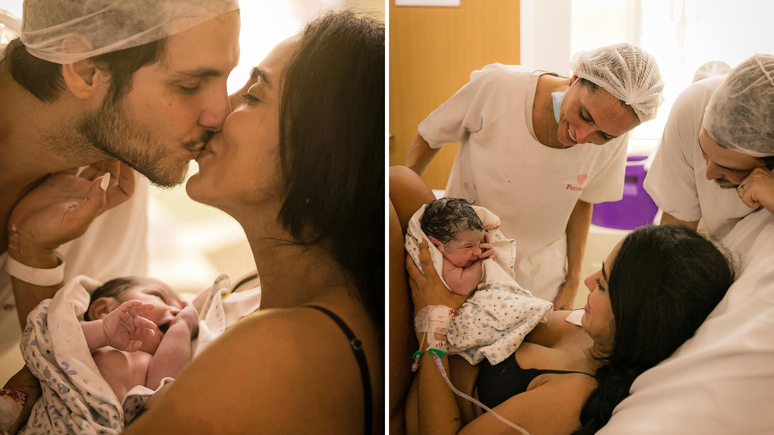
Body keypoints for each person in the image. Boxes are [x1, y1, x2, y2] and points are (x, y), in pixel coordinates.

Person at [7, 10, 384, 434]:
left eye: (252, 96)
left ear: (323, 151)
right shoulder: (252, 302)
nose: (220, 113)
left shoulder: (274, 354)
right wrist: (33, 253)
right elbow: (79, 388)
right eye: (190, 85)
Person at [389, 168, 734, 435]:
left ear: (634, 320)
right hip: (446, 332)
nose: (587, 282)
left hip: (420, 394)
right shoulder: (592, 329)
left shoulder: (572, 397)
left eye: (602, 285)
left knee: (392, 203)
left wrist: (432, 320)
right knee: (402, 184)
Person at [0, 0, 240, 379]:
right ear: (85, 69)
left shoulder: (113, 181)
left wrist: (33, 255)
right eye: (189, 85)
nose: (220, 114)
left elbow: (96, 381)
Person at [404, 43, 664, 309]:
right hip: (462, 261)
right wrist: (405, 221)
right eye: (584, 115)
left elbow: (583, 201)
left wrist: (572, 281)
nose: (582, 137)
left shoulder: (615, 138)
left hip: (541, 277)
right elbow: (429, 135)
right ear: (576, 78)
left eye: (604, 135)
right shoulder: (500, 88)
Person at [644, 53, 774, 238]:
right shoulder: (693, 107)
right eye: (703, 152)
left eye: (728, 167)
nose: (708, 175)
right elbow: (678, 228)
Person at [420, 198, 492, 295]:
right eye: (468, 246)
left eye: (480, 242)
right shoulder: (443, 263)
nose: (478, 251)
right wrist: (482, 262)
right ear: (437, 244)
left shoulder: (455, 252)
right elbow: (463, 287)